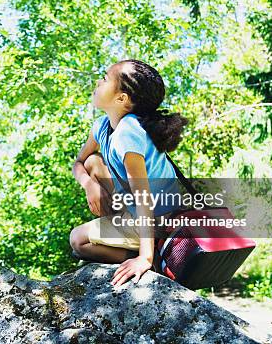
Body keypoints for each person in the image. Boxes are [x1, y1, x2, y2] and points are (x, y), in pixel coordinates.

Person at [69, 59, 188, 287]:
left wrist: (144, 257)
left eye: (104, 79)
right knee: (93, 162)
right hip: (133, 209)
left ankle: (153, 261)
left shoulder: (128, 133)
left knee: (78, 241)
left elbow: (143, 198)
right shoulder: (103, 126)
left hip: (158, 219)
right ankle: (128, 238)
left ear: (121, 99)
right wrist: (88, 184)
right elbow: (79, 163)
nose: (98, 81)